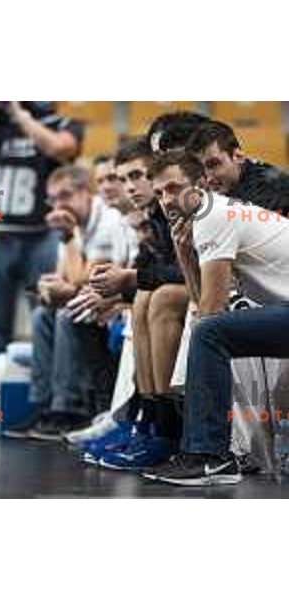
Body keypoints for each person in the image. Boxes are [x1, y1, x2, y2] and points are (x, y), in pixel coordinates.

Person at [144, 151, 289, 486]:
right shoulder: (211, 214)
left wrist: (202, 324)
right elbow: (202, 304)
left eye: (174, 188)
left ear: (201, 183)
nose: (167, 200)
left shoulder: (213, 213)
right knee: (208, 331)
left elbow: (211, 310)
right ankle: (204, 451)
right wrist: (184, 255)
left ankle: (209, 456)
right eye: (161, 192)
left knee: (209, 332)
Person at [67, 137, 189, 468]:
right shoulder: (147, 217)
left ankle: (162, 428)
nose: (129, 186)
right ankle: (141, 423)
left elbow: (182, 273)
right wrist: (119, 291)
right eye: (122, 179)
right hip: (167, 295)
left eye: (137, 176)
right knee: (136, 303)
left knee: (153, 299)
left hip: (212, 295)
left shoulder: (174, 210)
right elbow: (151, 271)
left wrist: (126, 287)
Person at [0, 101, 84, 369]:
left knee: (45, 319)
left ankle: (47, 397)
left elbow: (60, 148)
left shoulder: (63, 124)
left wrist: (19, 114)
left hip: (41, 236)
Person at [25, 165, 130, 439]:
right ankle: (43, 403)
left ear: (86, 193)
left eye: (65, 196)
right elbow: (64, 279)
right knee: (42, 314)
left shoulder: (105, 220)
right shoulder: (71, 223)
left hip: (115, 302)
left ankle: (69, 408)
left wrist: (68, 237)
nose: (59, 205)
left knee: (67, 314)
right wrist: (48, 289)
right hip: (94, 298)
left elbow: (87, 281)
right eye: (53, 199)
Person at [186, 119, 289, 217]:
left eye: (214, 165)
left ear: (238, 157)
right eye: (199, 169)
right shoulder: (202, 189)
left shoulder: (271, 191)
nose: (208, 179)